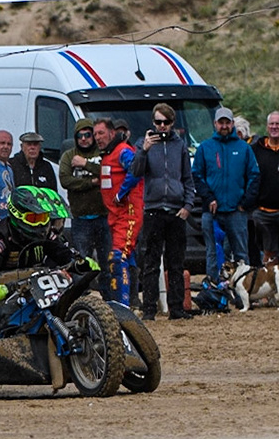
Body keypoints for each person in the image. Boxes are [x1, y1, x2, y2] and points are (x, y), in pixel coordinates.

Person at [0, 186, 77, 368]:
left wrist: (80, 262)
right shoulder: (0, 236)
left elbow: (64, 253)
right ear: (18, 216)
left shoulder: (45, 235)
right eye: (35, 219)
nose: (41, 224)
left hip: (29, 287)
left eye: (43, 218)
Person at [130, 103, 196, 319]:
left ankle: (176, 308)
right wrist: (144, 150)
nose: (162, 126)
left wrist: (187, 206)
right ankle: (149, 309)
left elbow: (188, 178)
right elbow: (136, 172)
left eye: (166, 122)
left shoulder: (180, 145)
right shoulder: (144, 143)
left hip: (176, 211)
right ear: (153, 122)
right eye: (158, 122)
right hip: (153, 209)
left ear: (172, 123)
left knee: (175, 262)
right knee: (150, 262)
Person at [193, 106, 261, 281]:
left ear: (232, 124)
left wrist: (245, 203)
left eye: (227, 122)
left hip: (236, 211)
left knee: (241, 254)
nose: (224, 126)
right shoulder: (205, 148)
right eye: (221, 122)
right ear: (215, 124)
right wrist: (208, 198)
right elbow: (197, 175)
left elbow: (254, 175)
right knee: (213, 252)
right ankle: (214, 291)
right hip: (212, 212)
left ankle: (242, 293)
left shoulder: (244, 148)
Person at [97, 118, 143, 305]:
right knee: (128, 260)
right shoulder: (107, 154)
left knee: (117, 258)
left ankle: (122, 306)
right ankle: (132, 300)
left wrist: (121, 193)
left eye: (101, 133)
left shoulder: (122, 150)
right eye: (95, 134)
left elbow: (135, 168)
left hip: (128, 212)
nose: (97, 137)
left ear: (111, 133)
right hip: (114, 216)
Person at [61, 118, 108, 275]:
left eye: (87, 135)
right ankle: (83, 297)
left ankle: (109, 297)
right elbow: (65, 180)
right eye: (80, 136)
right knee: (82, 264)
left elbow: (108, 173)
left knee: (106, 263)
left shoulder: (103, 153)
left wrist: (85, 164)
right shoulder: (69, 156)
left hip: (104, 216)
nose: (83, 139)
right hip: (80, 218)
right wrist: (93, 182)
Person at [251, 111, 279, 266]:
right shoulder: (256, 150)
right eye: (272, 124)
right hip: (262, 212)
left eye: (278, 124)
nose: (275, 127)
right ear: (267, 127)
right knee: (267, 256)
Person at [10, 131, 60, 196]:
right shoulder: (12, 164)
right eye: (29, 144)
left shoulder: (46, 166)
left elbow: (53, 193)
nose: (32, 148)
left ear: (39, 147)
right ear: (22, 147)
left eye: (35, 144)